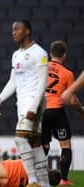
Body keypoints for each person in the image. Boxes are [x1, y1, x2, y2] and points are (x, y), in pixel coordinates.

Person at [0, 20, 50, 187]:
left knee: (20, 139)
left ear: (28, 31)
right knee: (35, 144)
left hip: (34, 103)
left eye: (17, 29)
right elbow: (13, 81)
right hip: (22, 104)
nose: (14, 32)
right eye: (12, 29)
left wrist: (34, 106)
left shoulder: (39, 53)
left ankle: (32, 181)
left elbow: (42, 82)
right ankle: (45, 183)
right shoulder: (16, 55)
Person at [42, 40, 84, 186]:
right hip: (56, 111)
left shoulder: (40, 68)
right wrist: (81, 111)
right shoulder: (67, 74)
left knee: (44, 145)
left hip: (40, 112)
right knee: (65, 146)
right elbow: (72, 100)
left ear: (50, 53)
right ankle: (64, 180)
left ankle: (36, 178)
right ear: (64, 55)